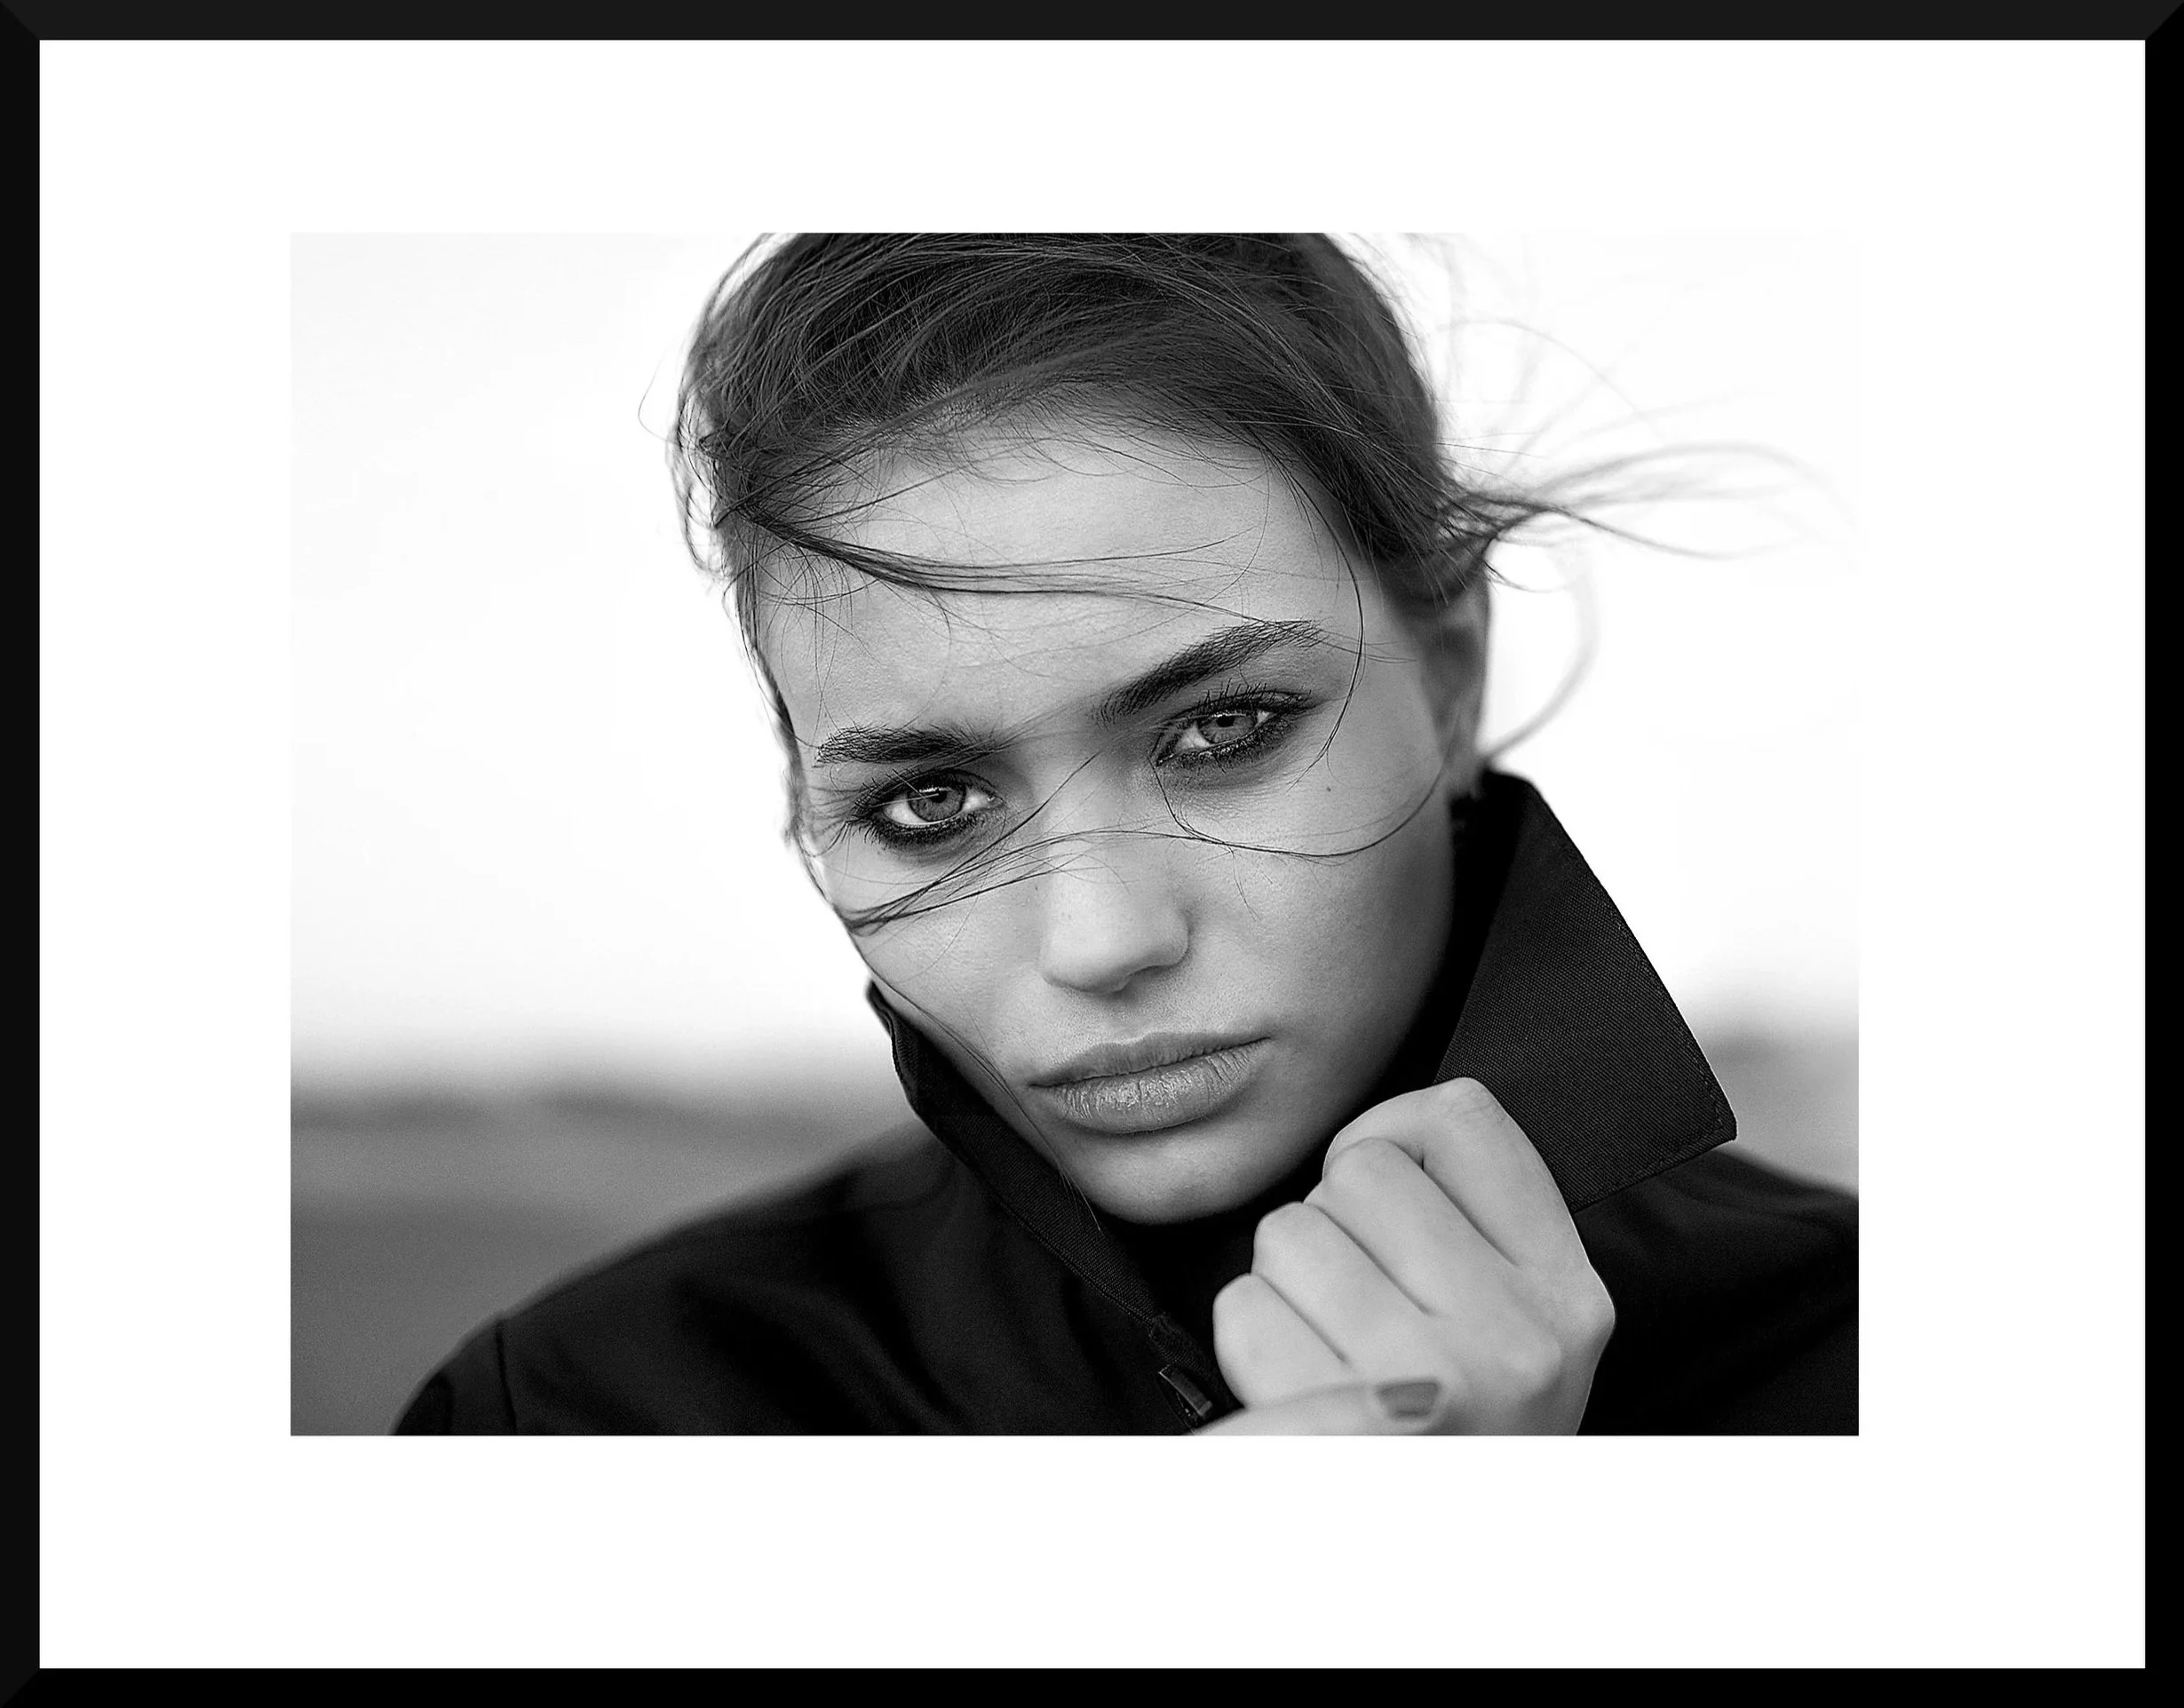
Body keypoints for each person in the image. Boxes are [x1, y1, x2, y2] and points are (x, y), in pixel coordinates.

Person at [395, 234, 1855, 1436]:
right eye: (931, 803)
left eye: (1222, 730)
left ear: (1454, 667)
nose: (1098, 940)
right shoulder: (587, 1416)